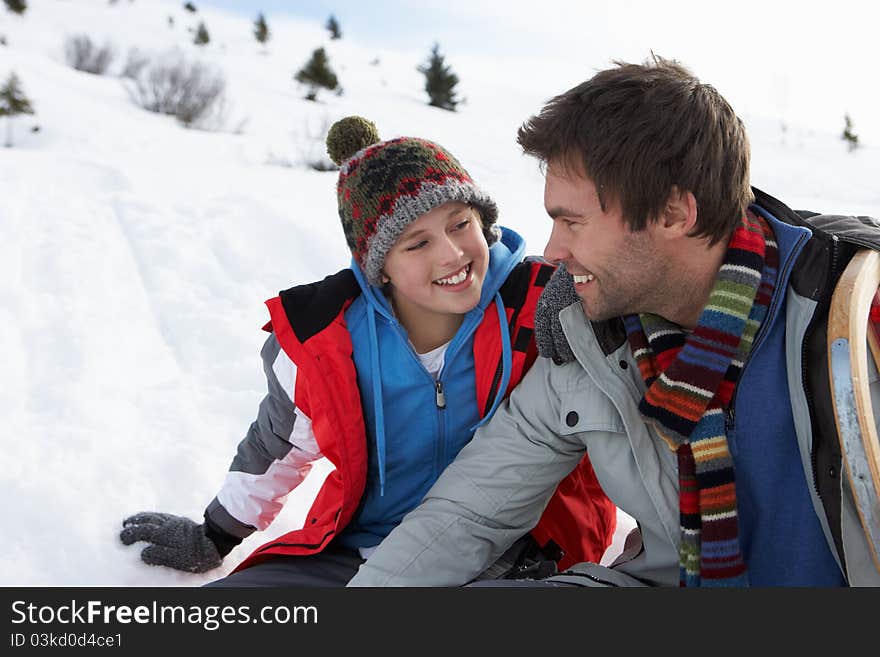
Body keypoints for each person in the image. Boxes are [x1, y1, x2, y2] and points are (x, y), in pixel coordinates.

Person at [347, 57, 880, 587]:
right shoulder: (589, 338)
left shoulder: (852, 312)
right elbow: (468, 512)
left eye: (571, 222)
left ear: (673, 213)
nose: (551, 252)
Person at [119, 116, 616, 586]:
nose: (451, 253)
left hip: (517, 554)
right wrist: (215, 535)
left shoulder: (539, 306)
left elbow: (656, 327)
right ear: (379, 267)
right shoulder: (326, 341)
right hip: (364, 550)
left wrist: (589, 290)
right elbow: (278, 446)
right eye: (416, 244)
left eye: (460, 223)